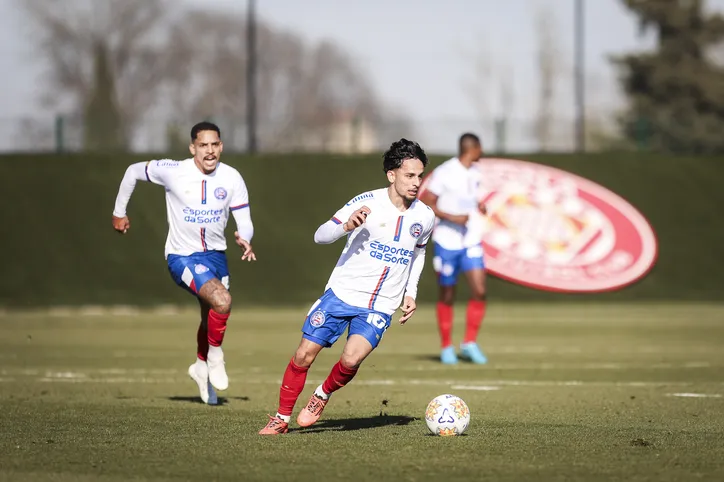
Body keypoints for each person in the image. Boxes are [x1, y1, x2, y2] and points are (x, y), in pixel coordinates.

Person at [258, 138, 436, 435]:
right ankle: (280, 418)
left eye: (420, 176)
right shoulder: (365, 202)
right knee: (303, 355)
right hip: (343, 294)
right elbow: (320, 235)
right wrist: (346, 226)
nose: (416, 182)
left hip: (381, 303)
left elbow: (419, 253)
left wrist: (411, 292)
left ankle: (322, 395)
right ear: (391, 175)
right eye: (410, 175)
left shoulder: (425, 216)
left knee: (351, 358)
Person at [111, 121, 256, 405]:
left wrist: (245, 238)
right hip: (182, 256)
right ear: (193, 148)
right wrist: (119, 212)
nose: (210, 151)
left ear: (221, 146)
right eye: (203, 145)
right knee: (223, 301)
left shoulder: (232, 178)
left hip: (217, 257)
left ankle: (200, 368)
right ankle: (215, 358)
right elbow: (132, 172)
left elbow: (245, 221)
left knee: (210, 317)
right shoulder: (173, 170)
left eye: (215, 144)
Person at [418, 133, 488, 365]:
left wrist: (480, 205)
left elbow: (470, 198)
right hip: (447, 241)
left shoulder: (476, 173)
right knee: (447, 294)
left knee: (479, 289)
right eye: (480, 147)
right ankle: (446, 346)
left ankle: (469, 343)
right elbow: (426, 201)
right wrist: (451, 217)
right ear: (473, 148)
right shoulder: (446, 172)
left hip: (470, 240)